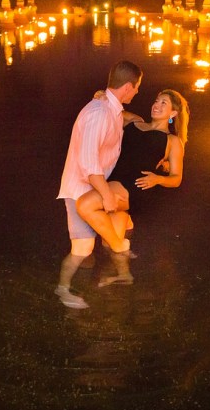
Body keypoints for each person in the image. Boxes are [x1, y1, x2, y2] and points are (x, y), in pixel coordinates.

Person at [76, 89, 188, 287]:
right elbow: (113, 109)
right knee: (108, 243)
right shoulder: (135, 121)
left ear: (173, 114)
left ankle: (121, 248)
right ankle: (124, 274)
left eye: (164, 103)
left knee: (84, 205)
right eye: (156, 100)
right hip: (116, 181)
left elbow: (177, 178)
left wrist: (158, 179)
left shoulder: (173, 141)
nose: (157, 105)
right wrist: (102, 96)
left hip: (137, 187)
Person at [55, 60, 143, 308]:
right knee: (82, 248)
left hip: (93, 188)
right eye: (136, 87)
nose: (137, 92)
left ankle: (104, 263)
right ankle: (63, 289)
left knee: (93, 248)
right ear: (127, 86)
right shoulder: (98, 113)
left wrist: (138, 121)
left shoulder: (110, 108)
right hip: (81, 190)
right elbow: (89, 164)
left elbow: (120, 117)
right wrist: (106, 195)